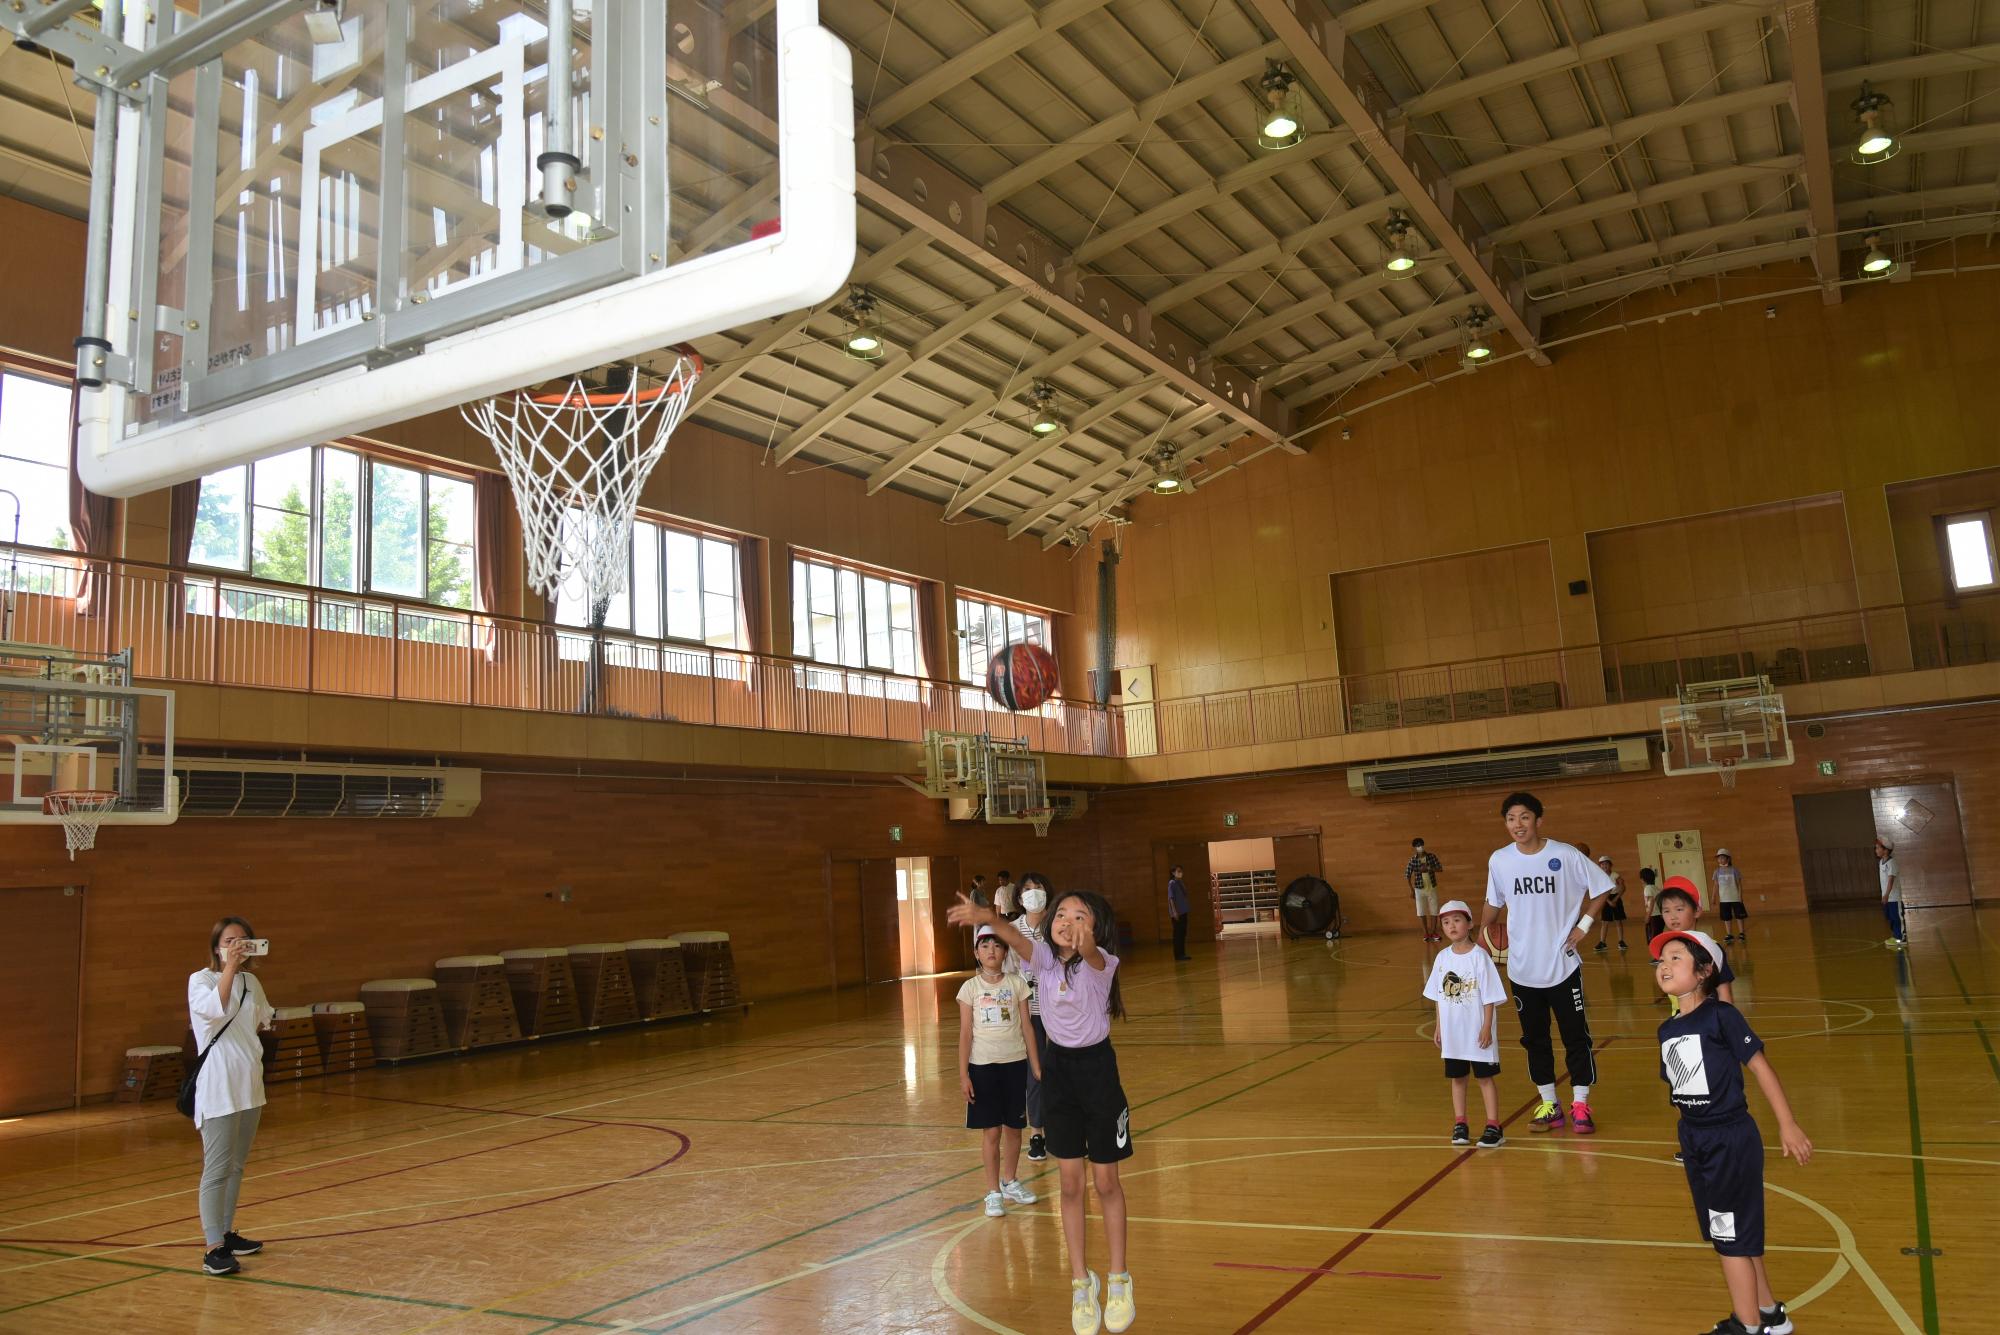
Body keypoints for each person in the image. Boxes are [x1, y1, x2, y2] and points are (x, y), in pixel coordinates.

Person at [949, 889, 1134, 1335]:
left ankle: (1119, 1278)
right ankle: (1079, 1282)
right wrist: (987, 918)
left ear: (1095, 926)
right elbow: (1017, 938)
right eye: (1062, 915)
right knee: (1070, 1184)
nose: (1067, 921)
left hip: (1098, 1074)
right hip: (1060, 1073)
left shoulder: (1102, 962)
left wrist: (1084, 938)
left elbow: (1088, 953)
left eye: (1080, 915)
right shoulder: (1043, 964)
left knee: (1106, 1181)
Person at [1651, 930, 1811, 1335]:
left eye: (1676, 958)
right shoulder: (1666, 1030)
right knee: (1734, 1229)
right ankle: (1769, 1312)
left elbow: (1760, 1067)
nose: (1665, 966)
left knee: (1729, 1236)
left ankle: (1748, 1326)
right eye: (1661, 960)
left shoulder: (1723, 1015)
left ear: (1704, 971)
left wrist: (1787, 1123)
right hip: (1696, 1139)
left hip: (1730, 1139)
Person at [1480, 791, 1615, 1134]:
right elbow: (1493, 905)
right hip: (1522, 969)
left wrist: (1584, 926)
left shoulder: (1565, 855)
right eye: (1511, 819)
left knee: (1575, 1037)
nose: (1518, 824)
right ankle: (1549, 1103)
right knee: (1535, 1039)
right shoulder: (1500, 860)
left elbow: (1602, 888)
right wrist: (1480, 935)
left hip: (1562, 965)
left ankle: (1581, 1103)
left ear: (1539, 820)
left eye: (1524, 817)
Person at [188, 916, 276, 1277]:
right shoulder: (201, 980)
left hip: (249, 1086)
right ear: (216, 948)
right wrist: (228, 969)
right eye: (229, 941)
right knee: (217, 1168)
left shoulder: (251, 981)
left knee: (236, 1166)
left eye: (243, 940)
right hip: (219, 1088)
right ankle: (212, 1248)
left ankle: (226, 1232)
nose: (237, 945)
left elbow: (262, 1019)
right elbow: (216, 1009)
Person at [958, 925, 1041, 1218]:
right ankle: (993, 1192)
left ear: (1005, 952)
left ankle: (1010, 1181)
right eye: (985, 946)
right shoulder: (970, 989)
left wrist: (1036, 1064)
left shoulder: (1018, 984)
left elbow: (1028, 1027)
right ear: (976, 954)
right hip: (983, 1067)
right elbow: (966, 1033)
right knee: (991, 1131)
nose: (991, 951)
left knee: (1015, 1129)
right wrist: (964, 1074)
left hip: (1015, 1064)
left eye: (997, 946)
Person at [1424, 900, 1507, 1149]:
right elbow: (1439, 995)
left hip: (1477, 1032)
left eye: (1457, 920)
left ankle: (1494, 1125)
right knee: (1457, 1078)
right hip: (1454, 1033)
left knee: (1485, 1079)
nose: (1451, 926)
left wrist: (1486, 1027)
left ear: (1470, 924)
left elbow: (1491, 995)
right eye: (1446, 922)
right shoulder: (1441, 958)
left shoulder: (1480, 957)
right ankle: (1460, 1123)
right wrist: (1439, 1026)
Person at [1014, 875, 1053, 1162]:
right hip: (1029, 1015)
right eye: (1027, 890)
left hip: (1061, 1012)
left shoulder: (1057, 927)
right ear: (1018, 898)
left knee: (1066, 1071)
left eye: (1037, 888)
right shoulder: (1012, 931)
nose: (1033, 894)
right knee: (1035, 1074)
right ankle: (1037, 1133)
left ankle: (1071, 1129)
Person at [1406, 838, 1444, 942]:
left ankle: (1434, 932)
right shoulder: (1413, 860)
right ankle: (1426, 933)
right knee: (1421, 911)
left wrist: (1429, 868)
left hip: (1432, 887)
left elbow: (1440, 868)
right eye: (1418, 845)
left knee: (1434, 910)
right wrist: (1411, 890)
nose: (1420, 847)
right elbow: (1407, 875)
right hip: (1419, 889)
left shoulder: (1431, 857)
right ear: (1414, 848)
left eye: (1421, 844)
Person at [1592, 854, 1629, 952]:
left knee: (1618, 920)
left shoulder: (1615, 875)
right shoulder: (1599, 877)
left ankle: (1621, 941)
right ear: (1600, 866)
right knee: (1604, 922)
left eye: (1606, 864)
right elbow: (1599, 891)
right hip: (1605, 899)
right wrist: (1608, 901)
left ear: (1610, 865)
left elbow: (1622, 887)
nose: (1604, 866)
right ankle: (1602, 942)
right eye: (1602, 864)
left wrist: (1615, 899)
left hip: (1615, 898)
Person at [1877, 838, 1905, 949]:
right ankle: (1896, 935)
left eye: (1878, 848)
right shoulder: (1881, 862)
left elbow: (1890, 880)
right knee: (1890, 917)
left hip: (1893, 897)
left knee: (1896, 917)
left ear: (1886, 850)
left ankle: (1901, 937)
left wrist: (1887, 894)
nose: (1876, 850)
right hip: (1887, 897)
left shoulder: (1892, 863)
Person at [1714, 849, 1748, 943]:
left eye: (1722, 857)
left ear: (1728, 859)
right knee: (1726, 917)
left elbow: (1739, 884)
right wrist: (1714, 896)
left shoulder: (1734, 870)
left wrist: (1740, 896)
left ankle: (1741, 933)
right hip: (1724, 899)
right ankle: (1729, 934)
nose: (1720, 860)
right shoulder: (1717, 871)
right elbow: (1716, 885)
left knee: (1739, 916)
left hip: (1735, 898)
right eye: (1719, 858)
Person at [1166, 864, 1191, 961]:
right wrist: (1174, 912)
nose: (1180, 873)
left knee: (1183, 933)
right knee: (1178, 934)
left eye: (1181, 871)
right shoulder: (1171, 883)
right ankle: (1178, 955)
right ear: (1173, 873)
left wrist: (1181, 882)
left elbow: (1185, 893)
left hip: (1184, 911)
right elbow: (1171, 898)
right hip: (1177, 913)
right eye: (1178, 871)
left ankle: (1183, 953)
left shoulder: (1179, 882)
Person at [1640, 866, 1665, 943]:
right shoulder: (1656, 888)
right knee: (1658, 937)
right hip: (1660, 916)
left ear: (1643, 879)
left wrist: (1648, 915)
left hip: (1653, 916)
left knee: (1653, 939)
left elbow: (1651, 902)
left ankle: (1656, 953)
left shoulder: (1647, 888)